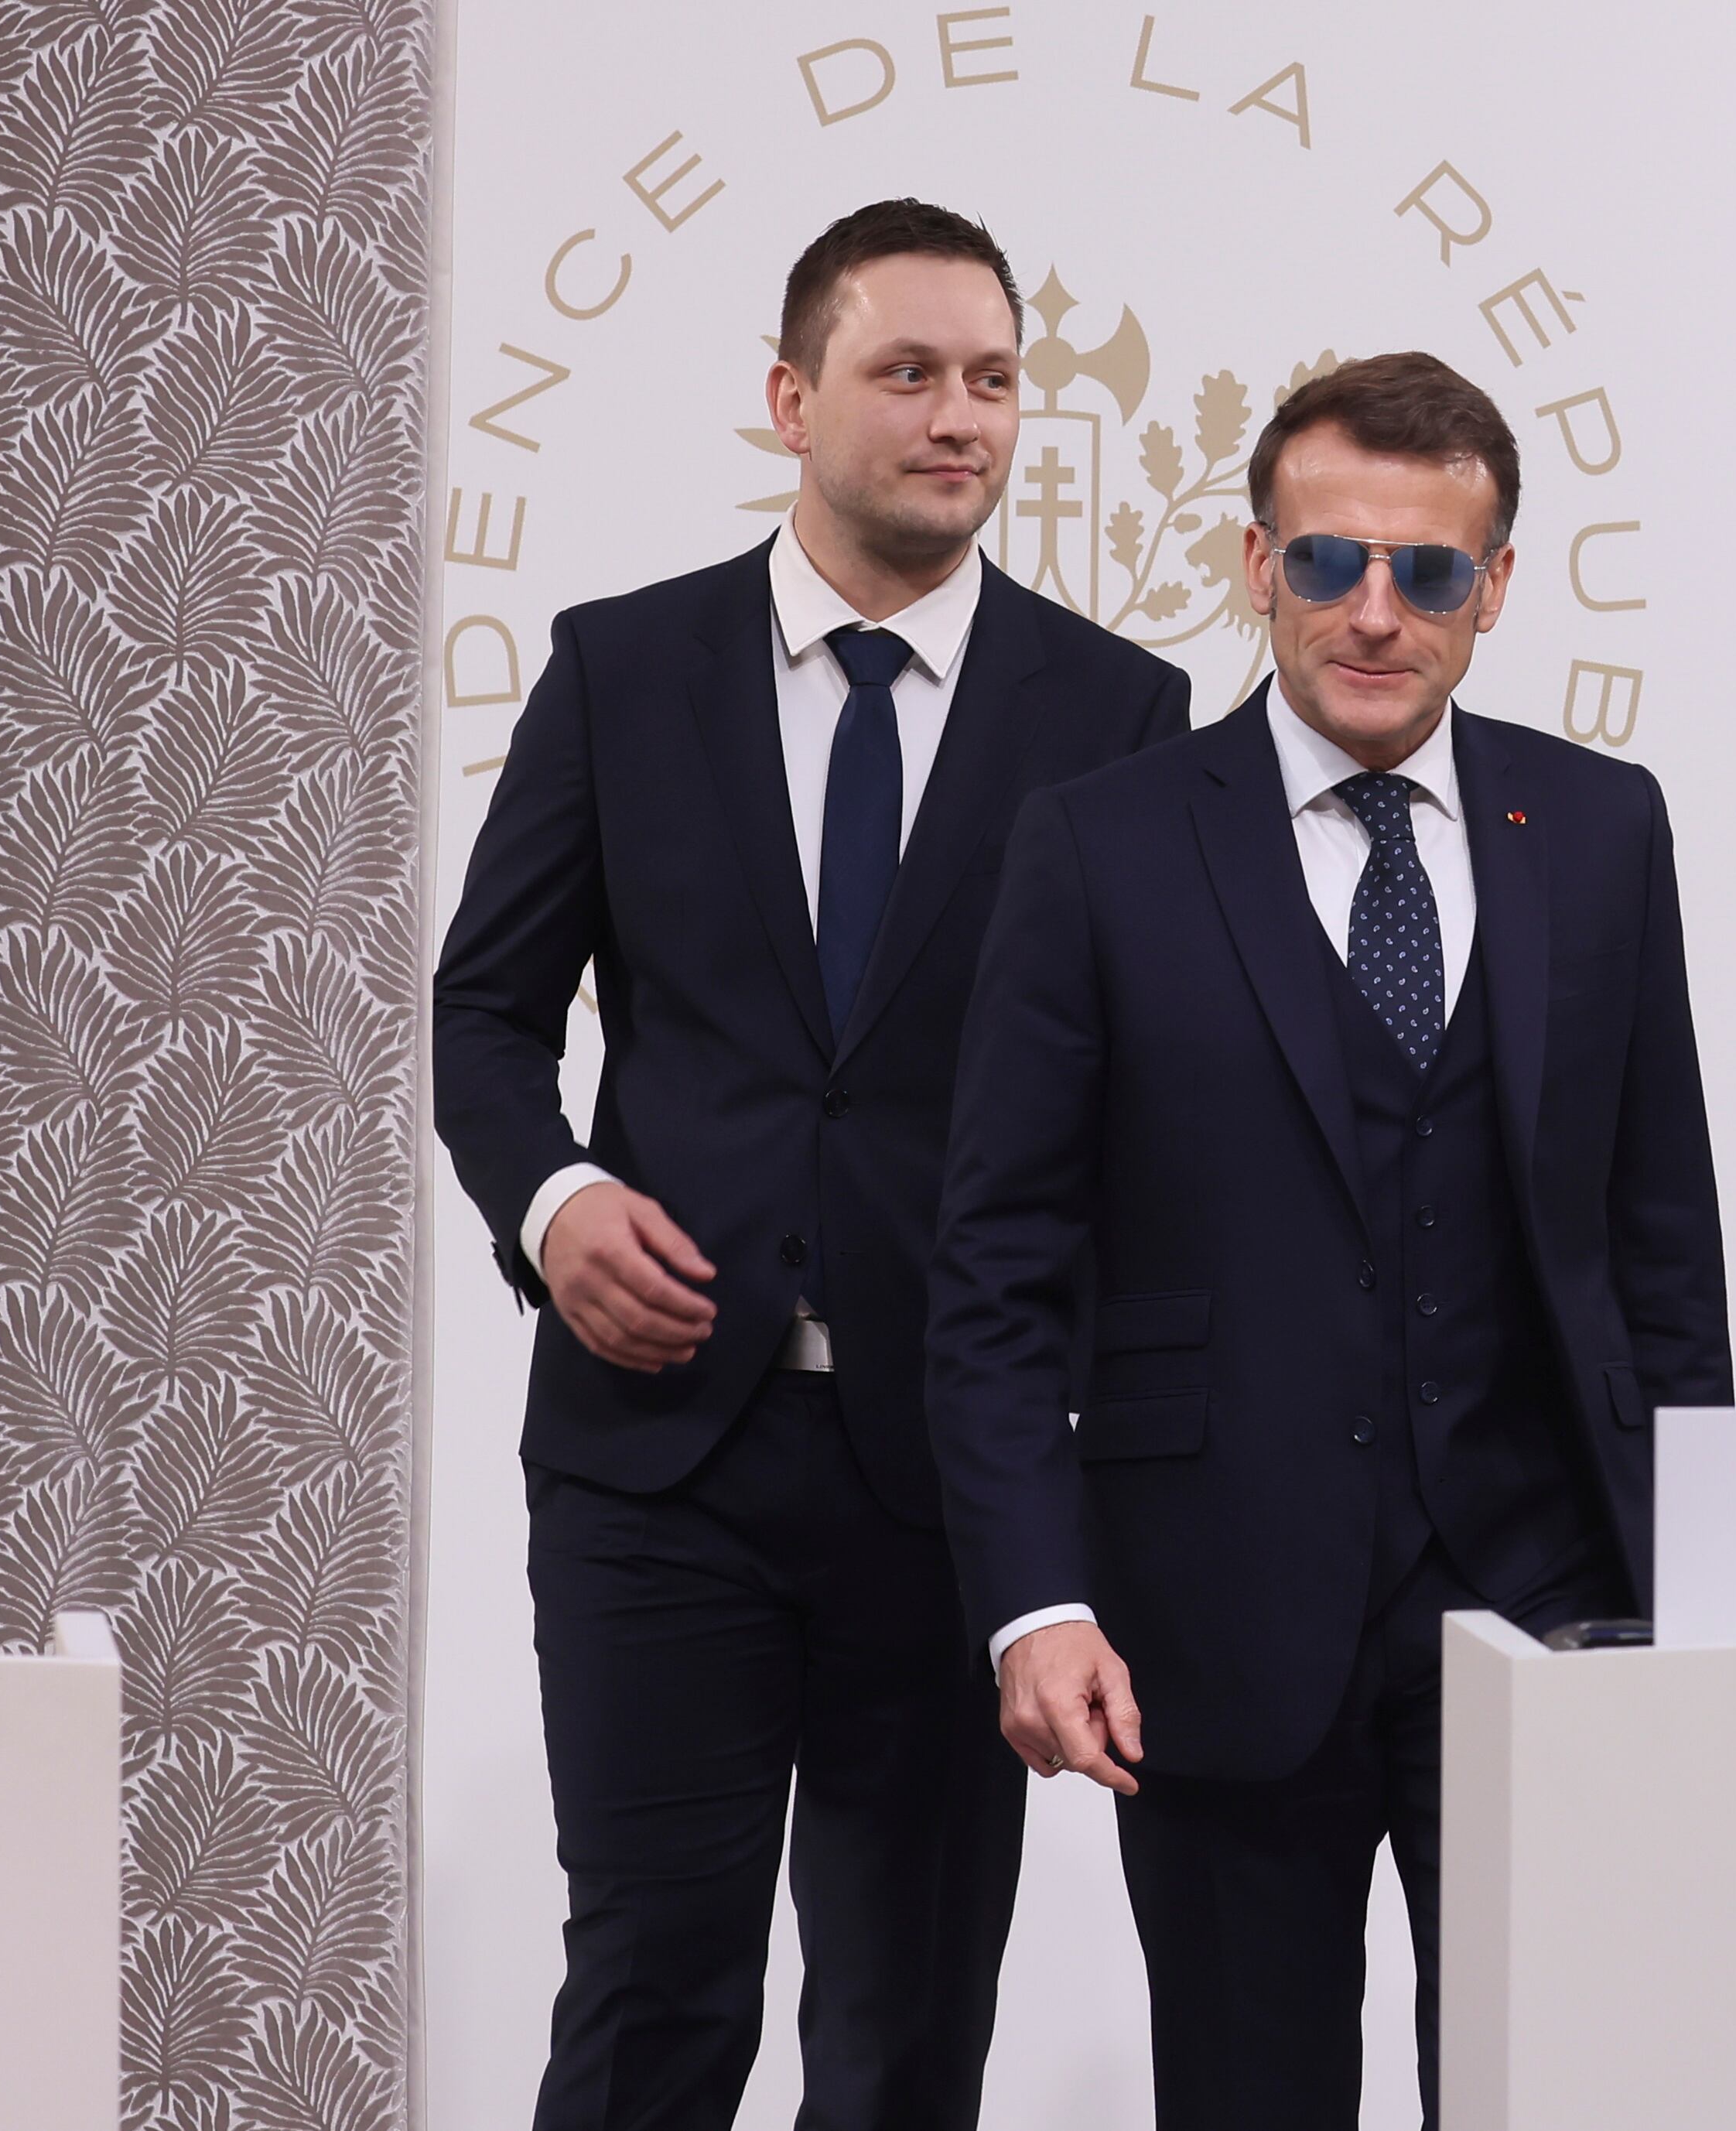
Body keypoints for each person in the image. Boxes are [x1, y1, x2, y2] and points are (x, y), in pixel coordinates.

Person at [432, 199, 1188, 2131]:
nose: (963, 417)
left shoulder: (1118, 719)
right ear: (790, 397)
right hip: (653, 1461)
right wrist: (555, 1200)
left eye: (995, 380)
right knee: (653, 1998)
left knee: (906, 2034)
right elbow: (484, 1018)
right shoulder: (623, 668)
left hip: (953, 1487)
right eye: (909, 371)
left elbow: (1143, 1113)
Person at [925, 351, 1731, 2129]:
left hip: (1546, 1609)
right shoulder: (1098, 844)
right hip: (1211, 1615)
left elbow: (1661, 1241)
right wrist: (1033, 1604)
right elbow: (994, 1267)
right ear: (1251, 560)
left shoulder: (1598, 830)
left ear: (1496, 588)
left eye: (1428, 572)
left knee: (1553, 2094)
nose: (1374, 613)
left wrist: (1701, 1573)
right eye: (1326, 562)